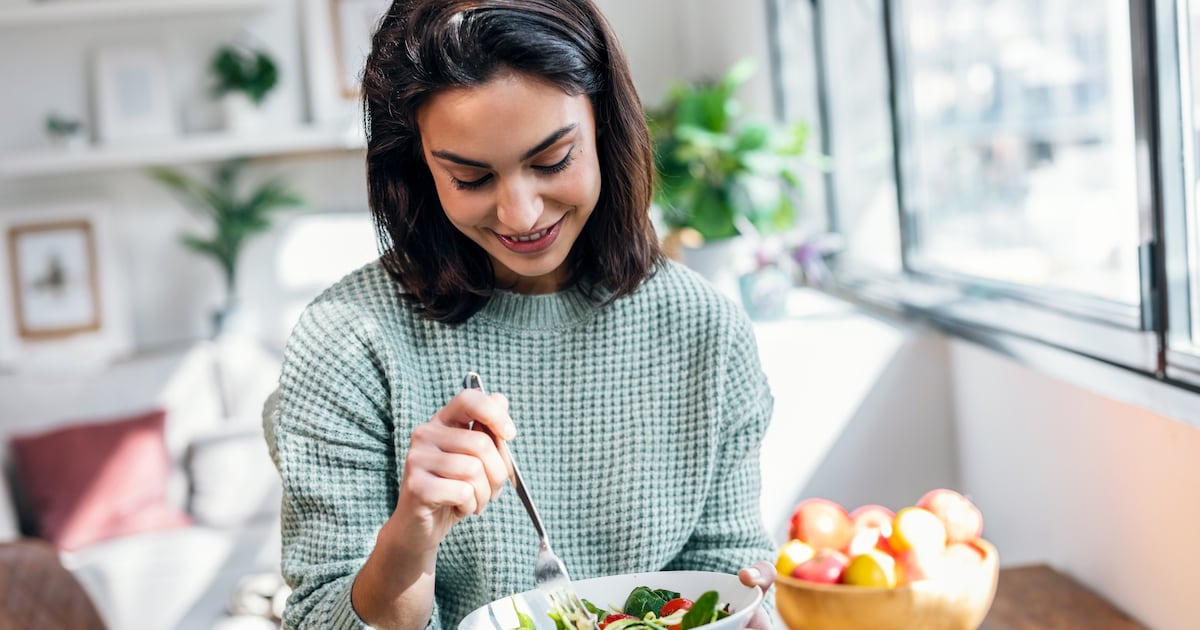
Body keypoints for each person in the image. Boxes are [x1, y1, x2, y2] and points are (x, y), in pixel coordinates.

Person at [264, 0, 778, 628]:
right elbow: (318, 616)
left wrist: (753, 608)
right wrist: (411, 539)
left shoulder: (706, 331)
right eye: (471, 177)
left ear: (604, 126)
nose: (520, 215)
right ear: (420, 167)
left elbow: (727, 573)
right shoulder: (347, 339)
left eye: (553, 161)